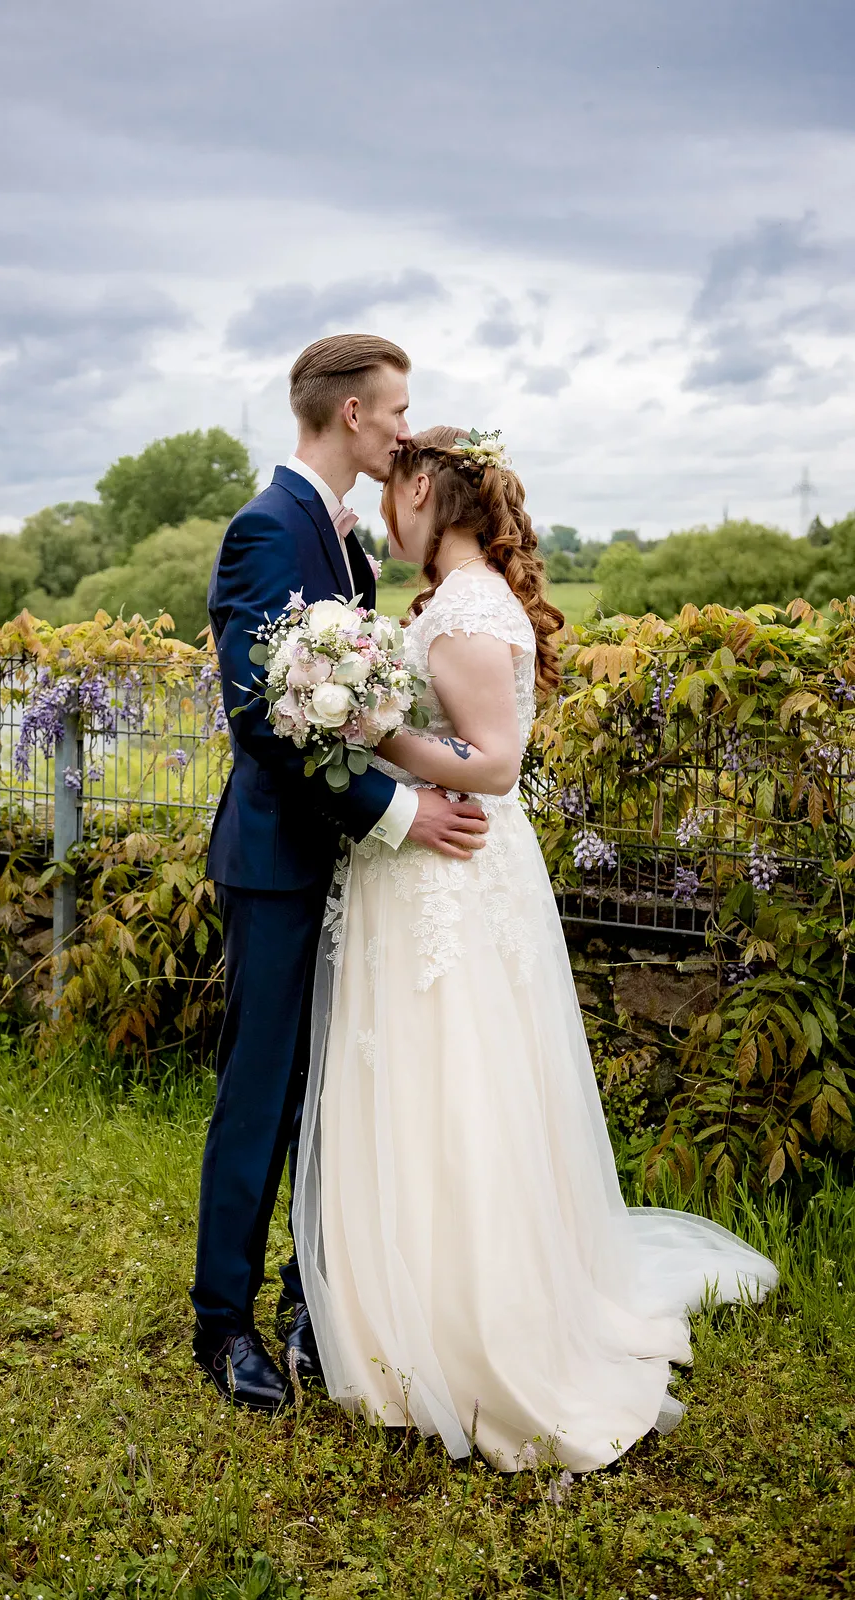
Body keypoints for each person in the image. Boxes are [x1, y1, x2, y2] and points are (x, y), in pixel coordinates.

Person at [293, 426, 778, 1472]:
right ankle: (409, 1310)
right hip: (440, 871)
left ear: (425, 488)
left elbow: (496, 761)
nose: (388, 508)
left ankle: (469, 1329)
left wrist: (372, 736)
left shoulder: (467, 607)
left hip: (451, 871)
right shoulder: (454, 603)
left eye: (396, 491)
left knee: (456, 1080)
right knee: (439, 1079)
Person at [194, 342, 489, 1410]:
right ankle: (221, 1323)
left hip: (349, 875)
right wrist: (404, 812)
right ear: (353, 414)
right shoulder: (266, 529)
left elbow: (354, 709)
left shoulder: (345, 543)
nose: (408, 434)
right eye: (399, 412)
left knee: (340, 1093)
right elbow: (267, 722)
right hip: (280, 864)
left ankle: (313, 1299)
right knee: (262, 1096)